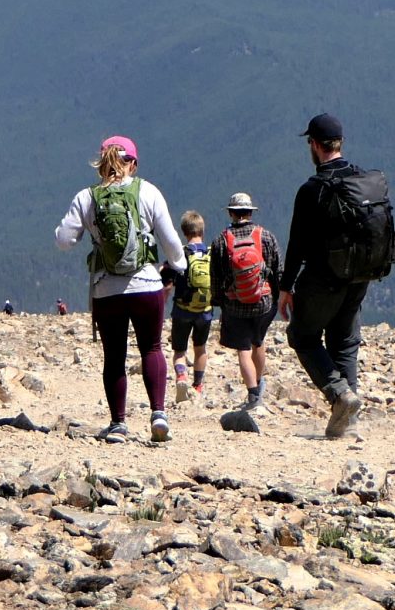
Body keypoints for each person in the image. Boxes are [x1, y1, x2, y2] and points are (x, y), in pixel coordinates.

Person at [52, 135, 186, 443]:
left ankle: (118, 424)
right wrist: (178, 267)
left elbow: (63, 241)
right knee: (151, 347)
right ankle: (158, 414)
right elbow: (170, 242)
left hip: (105, 289)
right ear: (133, 164)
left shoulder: (87, 197)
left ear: (101, 164)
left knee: (114, 356)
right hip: (147, 284)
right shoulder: (148, 191)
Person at [281, 111, 370, 439]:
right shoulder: (362, 180)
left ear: (315, 145)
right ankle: (349, 423)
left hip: (323, 278)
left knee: (302, 337)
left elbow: (297, 244)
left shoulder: (312, 189)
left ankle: (340, 396)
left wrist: (285, 286)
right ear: (340, 143)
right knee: (344, 341)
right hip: (360, 275)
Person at [211, 192, 282, 432]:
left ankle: (252, 394)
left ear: (231, 213)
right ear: (250, 213)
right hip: (263, 301)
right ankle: (259, 384)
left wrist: (219, 301)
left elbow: (217, 276)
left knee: (243, 349)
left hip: (235, 304)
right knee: (258, 342)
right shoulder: (266, 237)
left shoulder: (222, 240)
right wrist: (276, 297)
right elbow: (277, 269)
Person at [170, 209, 213, 400]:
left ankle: (181, 375)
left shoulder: (181, 253)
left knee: (180, 350)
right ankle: (198, 385)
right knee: (200, 348)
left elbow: (169, 279)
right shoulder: (211, 253)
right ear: (202, 231)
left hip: (182, 309)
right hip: (205, 310)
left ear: (184, 233)